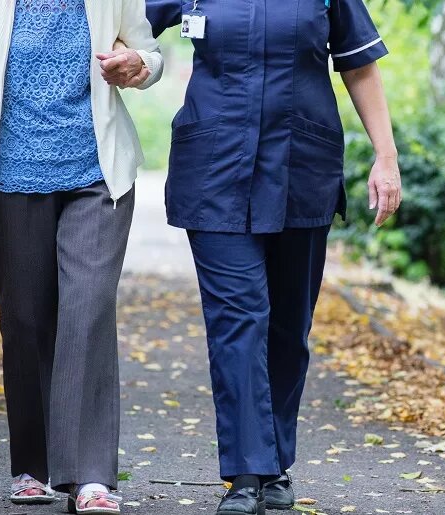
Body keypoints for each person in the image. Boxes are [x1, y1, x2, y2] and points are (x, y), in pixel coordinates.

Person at [145, 1, 401, 514]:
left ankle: (275, 464)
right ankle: (246, 474)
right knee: (238, 319)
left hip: (301, 168)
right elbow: (125, 24)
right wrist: (130, 63)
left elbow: (358, 64)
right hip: (215, 170)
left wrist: (386, 156)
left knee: (288, 327)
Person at [0, 1, 162, 513]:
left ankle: (89, 476)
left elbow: (149, 54)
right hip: (12, 175)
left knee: (86, 308)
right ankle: (34, 466)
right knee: (25, 316)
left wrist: (140, 68)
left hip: (96, 173)